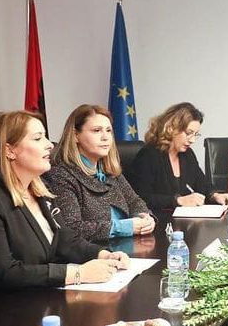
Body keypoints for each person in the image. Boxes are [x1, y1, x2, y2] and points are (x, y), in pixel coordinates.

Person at [0, 111, 129, 302]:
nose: (49, 145)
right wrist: (78, 274)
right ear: (9, 151)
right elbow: (4, 272)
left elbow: (65, 240)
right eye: (38, 138)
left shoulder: (39, 190)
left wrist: (103, 255)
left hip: (36, 298)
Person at [43, 104, 155, 243]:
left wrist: (145, 218)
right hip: (93, 251)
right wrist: (126, 227)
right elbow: (72, 228)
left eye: (108, 131)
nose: (105, 137)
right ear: (75, 135)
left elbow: (134, 201)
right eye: (97, 130)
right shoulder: (60, 174)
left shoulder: (109, 170)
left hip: (127, 245)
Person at [125, 102, 228, 212]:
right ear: (172, 128)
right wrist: (178, 201)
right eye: (188, 133)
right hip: (158, 219)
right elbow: (140, 198)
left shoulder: (187, 154)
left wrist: (215, 195)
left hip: (184, 219)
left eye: (196, 134)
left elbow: (202, 184)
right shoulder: (149, 155)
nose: (192, 140)